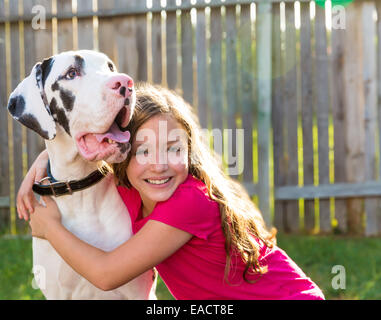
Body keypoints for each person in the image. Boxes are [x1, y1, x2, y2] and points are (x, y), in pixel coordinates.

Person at [17, 82, 325, 300]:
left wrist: (50, 227)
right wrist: (42, 163)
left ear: (190, 151)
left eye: (173, 149)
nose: (159, 165)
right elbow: (81, 155)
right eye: (143, 151)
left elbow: (106, 275)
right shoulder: (137, 189)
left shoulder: (190, 201)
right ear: (121, 155)